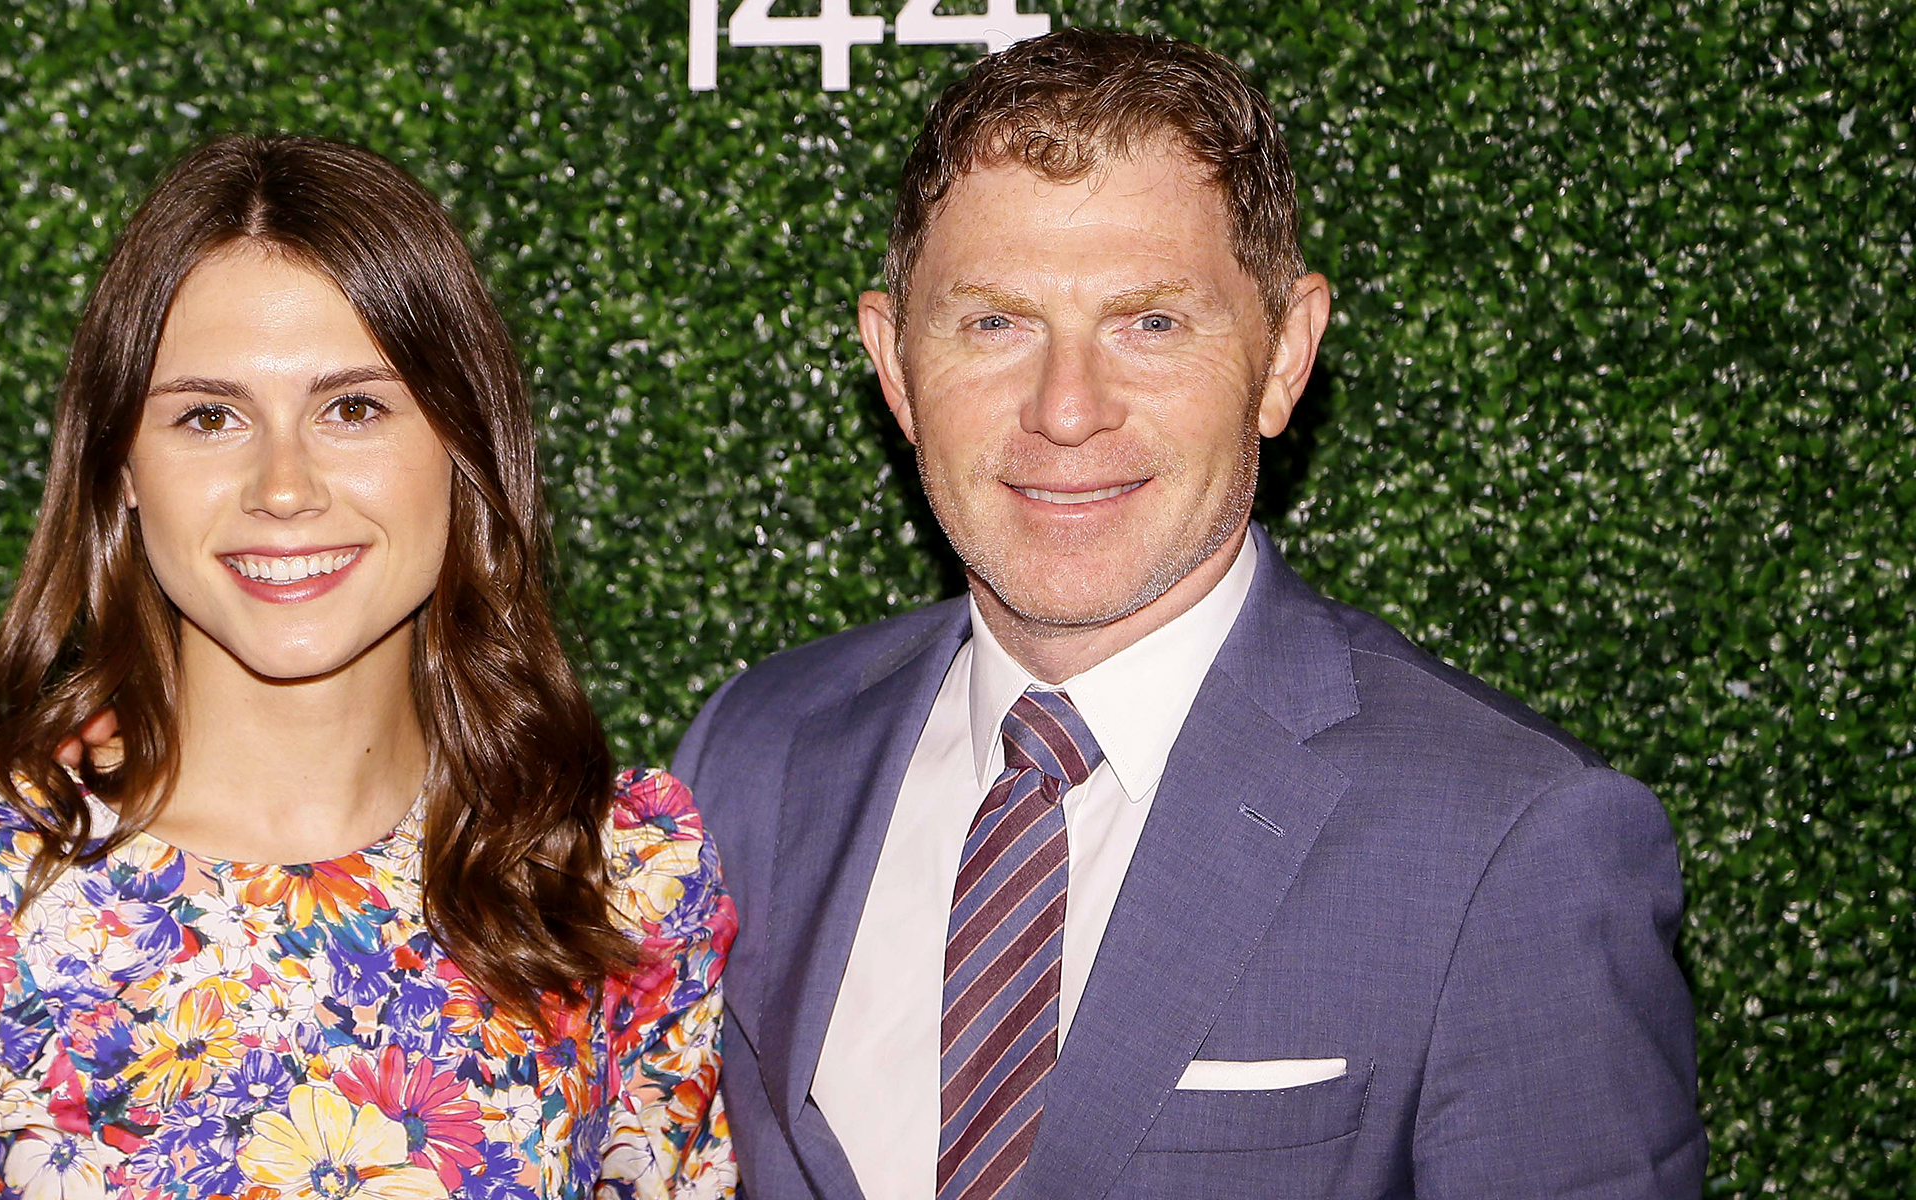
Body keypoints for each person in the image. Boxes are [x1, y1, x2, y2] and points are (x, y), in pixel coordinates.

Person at [672, 29, 1703, 1200]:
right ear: (897, 367)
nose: (1067, 410)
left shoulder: (1510, 842)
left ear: (1283, 357)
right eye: (996, 324)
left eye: (1151, 323)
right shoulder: (751, 754)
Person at [0, 134, 736, 1199]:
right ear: (120, 466)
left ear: (463, 446)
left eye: (353, 407)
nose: (284, 487)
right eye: (209, 417)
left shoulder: (615, 881)